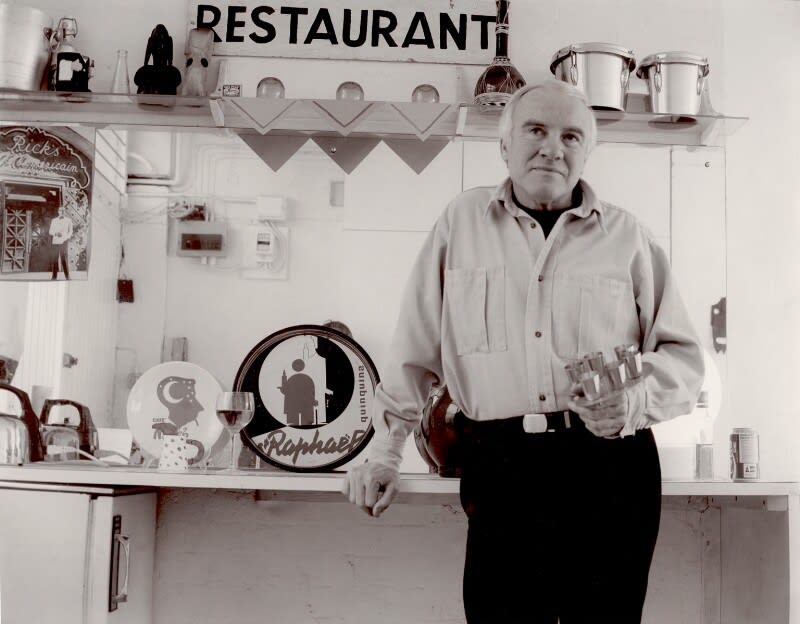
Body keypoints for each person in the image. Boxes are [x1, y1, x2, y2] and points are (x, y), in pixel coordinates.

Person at [341, 79, 704, 623]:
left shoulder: (630, 239)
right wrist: (383, 452)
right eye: (535, 130)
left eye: (571, 135)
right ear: (504, 145)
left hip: (611, 468)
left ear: (588, 151)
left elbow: (685, 361)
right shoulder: (459, 224)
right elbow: (414, 350)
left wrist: (631, 401)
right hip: (501, 465)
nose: (552, 148)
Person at [48, 206, 73, 280]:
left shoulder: (69, 220)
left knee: (63, 258)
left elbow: (70, 231)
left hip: (64, 241)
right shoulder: (54, 220)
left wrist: (67, 237)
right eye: (60, 210)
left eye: (63, 211)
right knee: (55, 259)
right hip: (55, 241)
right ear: (58, 211)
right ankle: (54, 276)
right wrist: (56, 233)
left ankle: (67, 276)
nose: (61, 212)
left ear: (65, 212)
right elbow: (50, 231)